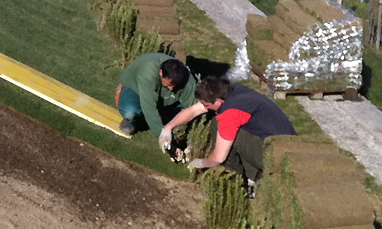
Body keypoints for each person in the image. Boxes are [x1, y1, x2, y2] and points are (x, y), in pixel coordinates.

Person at [164, 76, 296, 182]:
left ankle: (236, 179)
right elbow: (194, 110)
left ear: (217, 102)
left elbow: (218, 158)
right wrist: (168, 128)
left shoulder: (230, 113)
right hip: (287, 143)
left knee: (219, 127)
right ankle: (252, 175)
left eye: (207, 105)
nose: (206, 108)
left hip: (277, 155)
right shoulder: (233, 90)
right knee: (226, 127)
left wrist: (201, 163)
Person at [115, 53, 198, 140]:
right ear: (161, 73)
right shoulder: (148, 73)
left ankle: (165, 114)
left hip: (164, 98)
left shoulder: (187, 81)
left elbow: (195, 108)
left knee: (188, 108)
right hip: (136, 88)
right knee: (130, 112)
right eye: (169, 84)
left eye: (175, 85)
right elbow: (149, 108)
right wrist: (162, 136)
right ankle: (130, 124)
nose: (172, 88)